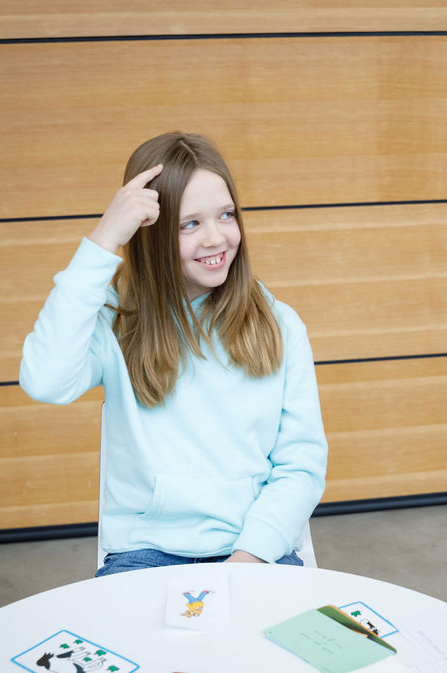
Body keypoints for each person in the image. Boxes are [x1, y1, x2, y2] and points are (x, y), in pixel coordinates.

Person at [21, 132, 327, 576]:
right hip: (147, 554)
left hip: (257, 550)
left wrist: (245, 563)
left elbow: (301, 465)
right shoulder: (116, 321)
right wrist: (104, 239)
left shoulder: (280, 326)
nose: (216, 238)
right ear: (152, 234)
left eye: (226, 215)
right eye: (190, 224)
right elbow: (44, 381)